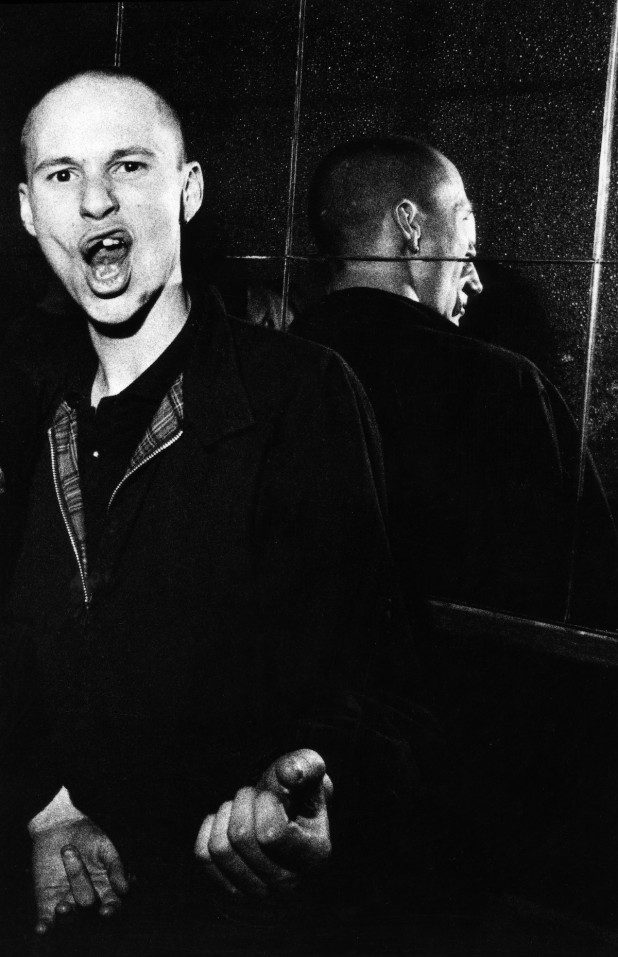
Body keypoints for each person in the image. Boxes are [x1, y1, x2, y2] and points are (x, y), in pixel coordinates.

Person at [0, 75, 441, 953]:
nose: (93, 200)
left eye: (128, 164)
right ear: (25, 210)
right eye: (60, 174)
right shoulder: (23, 406)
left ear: (188, 190)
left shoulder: (299, 394)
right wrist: (44, 805)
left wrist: (308, 791)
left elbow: (372, 676)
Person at [292, 136, 618, 630]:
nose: (477, 280)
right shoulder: (500, 387)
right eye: (466, 241)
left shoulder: (265, 372)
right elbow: (590, 599)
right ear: (410, 225)